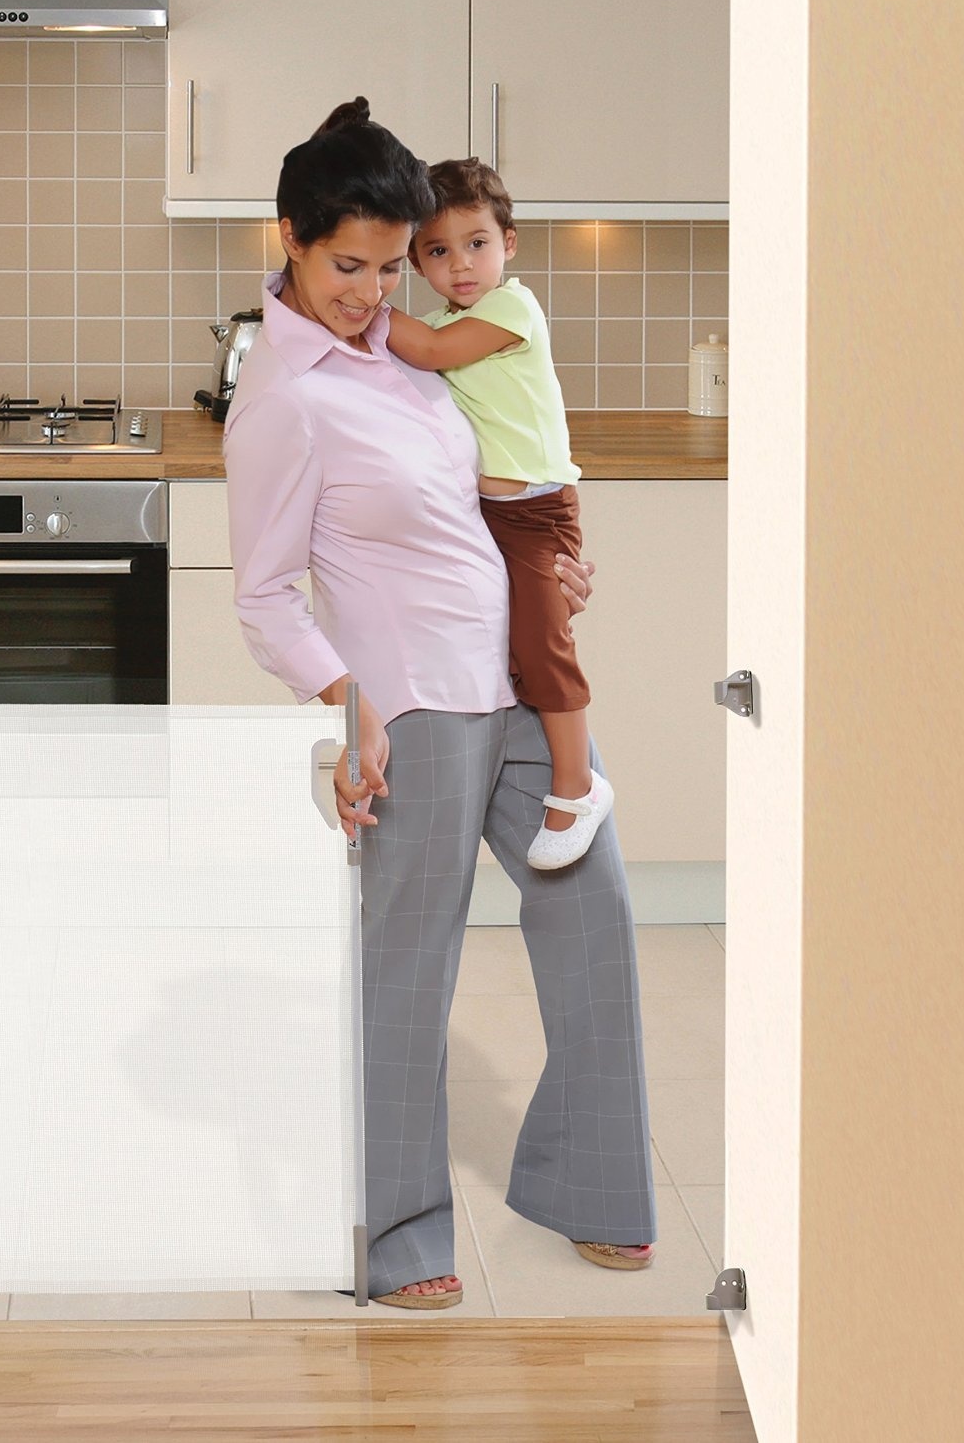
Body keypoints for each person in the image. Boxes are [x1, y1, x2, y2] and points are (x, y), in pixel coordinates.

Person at [223, 99, 657, 1310]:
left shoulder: (410, 352)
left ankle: (588, 1181)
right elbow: (263, 598)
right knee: (410, 974)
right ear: (294, 244)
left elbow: (496, 490)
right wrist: (344, 693)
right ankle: (399, 1233)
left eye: (385, 264)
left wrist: (563, 567)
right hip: (414, 706)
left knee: (596, 913)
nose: (369, 292)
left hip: (515, 680)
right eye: (345, 266)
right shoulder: (284, 397)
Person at [386, 158, 608, 870]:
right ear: (419, 261)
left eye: (476, 243)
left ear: (508, 242)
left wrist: (363, 303)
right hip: (495, 518)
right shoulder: (449, 316)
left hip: (539, 514)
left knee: (544, 645)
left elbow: (428, 350)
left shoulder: (510, 309)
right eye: (438, 251)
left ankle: (577, 783)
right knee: (514, 643)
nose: (460, 265)